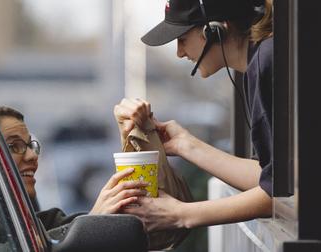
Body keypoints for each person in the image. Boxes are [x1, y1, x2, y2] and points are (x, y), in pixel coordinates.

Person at [114, 0, 274, 232]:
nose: (179, 53)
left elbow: (287, 191)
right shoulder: (259, 62)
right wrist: (184, 145)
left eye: (182, 39)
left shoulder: (265, 63)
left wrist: (182, 214)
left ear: (216, 29)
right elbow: (271, 179)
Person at [0, 105, 148, 236]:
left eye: (32, 145)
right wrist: (92, 222)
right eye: (14, 146)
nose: (33, 155)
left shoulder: (24, 220)